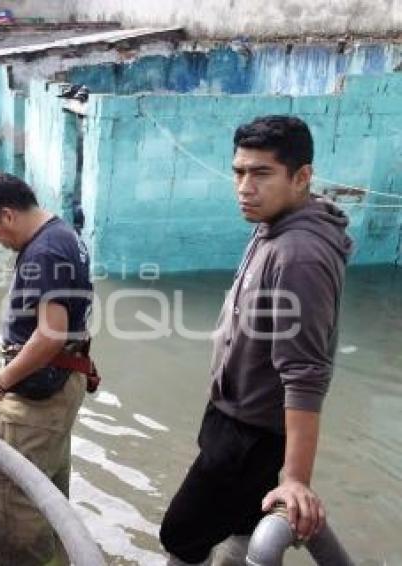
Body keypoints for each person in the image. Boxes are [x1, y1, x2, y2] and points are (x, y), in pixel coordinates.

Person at [159, 116, 352, 565]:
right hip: (235, 420)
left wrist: (296, 479)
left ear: (302, 177)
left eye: (261, 173)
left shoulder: (299, 254)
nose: (245, 187)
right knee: (242, 524)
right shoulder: (274, 225)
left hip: (250, 435)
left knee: (180, 533)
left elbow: (306, 372)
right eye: (239, 172)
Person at [0, 173, 97, 566]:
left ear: (8, 215)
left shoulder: (43, 252)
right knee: (49, 492)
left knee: (15, 502)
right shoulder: (64, 234)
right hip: (63, 381)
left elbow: (49, 335)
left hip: (40, 398)